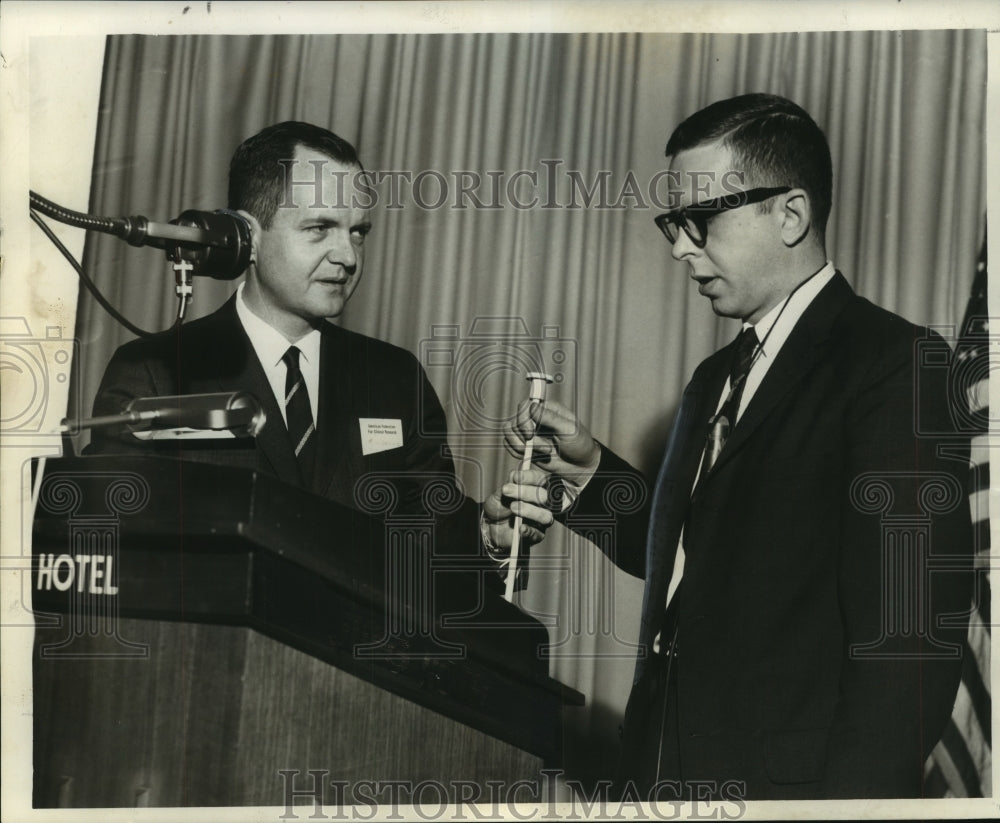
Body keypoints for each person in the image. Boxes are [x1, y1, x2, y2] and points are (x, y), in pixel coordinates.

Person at [483, 94, 973, 799]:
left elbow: (909, 653)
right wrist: (589, 478)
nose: (681, 247)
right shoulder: (715, 375)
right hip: (657, 778)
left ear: (791, 214)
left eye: (700, 220)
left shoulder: (895, 366)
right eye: (672, 224)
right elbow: (705, 562)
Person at [89, 121, 474, 530]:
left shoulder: (396, 378)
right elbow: (112, 538)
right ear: (247, 236)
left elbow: (434, 534)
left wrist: (490, 535)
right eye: (319, 228)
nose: (347, 256)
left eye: (358, 232)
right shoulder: (155, 373)